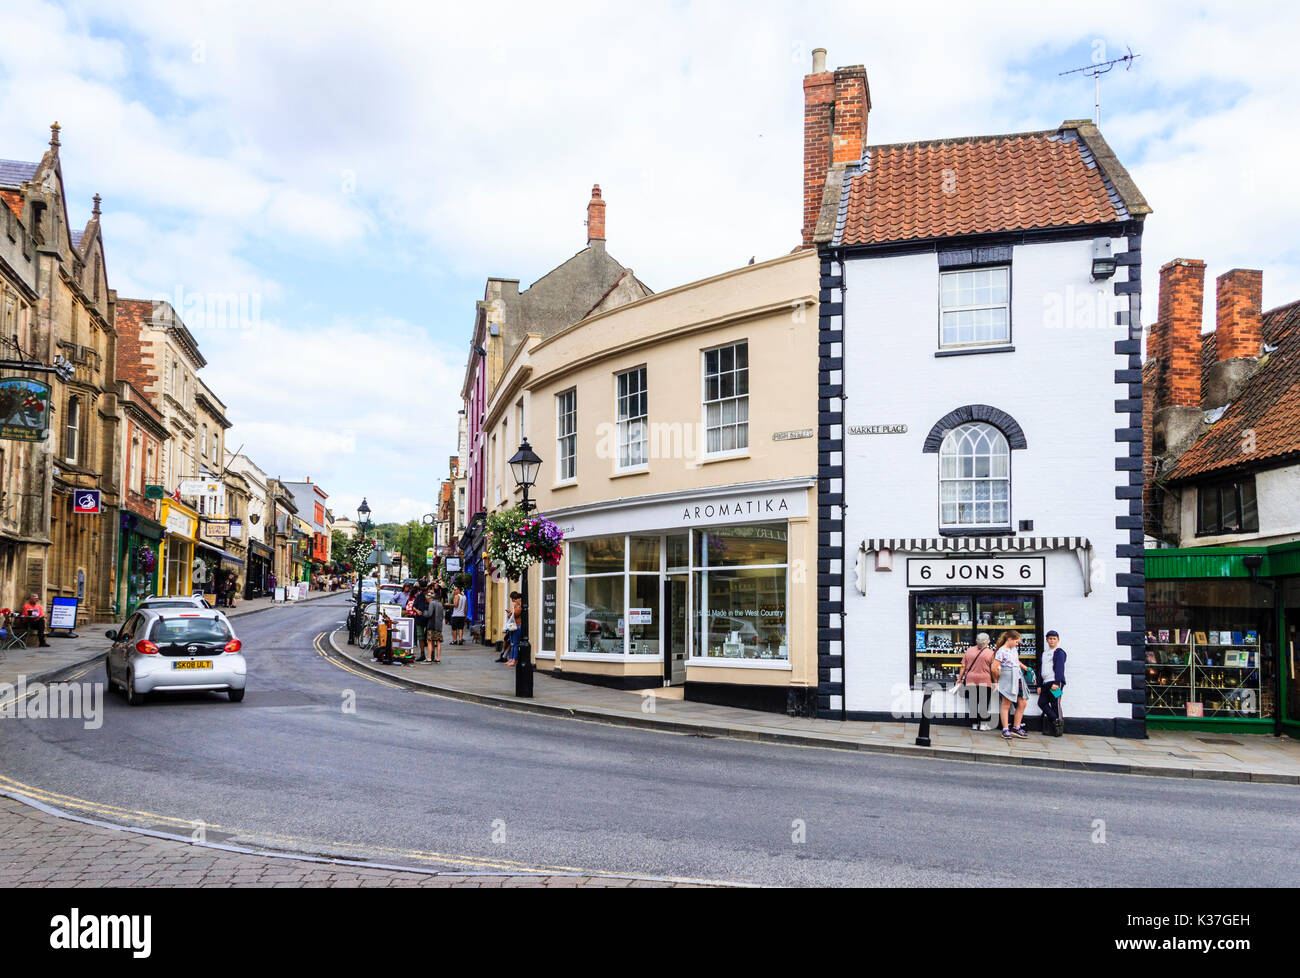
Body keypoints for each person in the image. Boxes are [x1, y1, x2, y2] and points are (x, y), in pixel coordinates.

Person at [992, 629, 1030, 739]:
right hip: (1007, 677)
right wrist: (998, 680)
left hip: (1017, 676)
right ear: (1009, 639)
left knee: (1022, 702)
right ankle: (1005, 729)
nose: (1017, 644)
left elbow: (1016, 661)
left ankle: (1016, 728)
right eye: (1016, 641)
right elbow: (994, 667)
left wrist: (1026, 668)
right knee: (1006, 704)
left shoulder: (1013, 649)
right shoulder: (1001, 651)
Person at [957, 632, 996, 731]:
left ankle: (974, 724)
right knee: (984, 703)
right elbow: (993, 669)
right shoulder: (991, 653)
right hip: (985, 680)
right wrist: (995, 681)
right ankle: (982, 725)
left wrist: (959, 679)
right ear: (987, 642)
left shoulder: (969, 651)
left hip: (971, 680)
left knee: (973, 703)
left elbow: (963, 666)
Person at [1038, 630, 1067, 736]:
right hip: (1046, 683)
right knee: (1042, 703)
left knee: (1056, 704)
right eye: (1050, 638)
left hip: (1056, 683)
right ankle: (1055, 721)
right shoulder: (1044, 653)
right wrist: (1039, 685)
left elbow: (1060, 668)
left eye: (1054, 639)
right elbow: (1041, 669)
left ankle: (1057, 730)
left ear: (1058, 640)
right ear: (1047, 640)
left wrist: (1057, 682)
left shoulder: (1059, 652)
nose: (1052, 640)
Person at [424, 586, 444, 663]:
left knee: (429, 641)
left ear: (431, 598)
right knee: (438, 642)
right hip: (439, 626)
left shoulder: (432, 603)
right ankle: (438, 658)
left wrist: (424, 613)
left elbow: (429, 614)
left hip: (432, 625)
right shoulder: (440, 604)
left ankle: (429, 658)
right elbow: (442, 616)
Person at [503, 591, 522, 666]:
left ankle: (514, 660)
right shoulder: (516, 605)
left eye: (513, 599)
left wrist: (512, 612)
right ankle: (511, 658)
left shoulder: (519, 605)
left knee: (515, 644)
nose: (513, 601)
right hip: (513, 625)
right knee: (512, 643)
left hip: (518, 626)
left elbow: (517, 613)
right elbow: (512, 615)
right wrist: (510, 613)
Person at [411, 586, 429, 661]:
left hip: (429, 620)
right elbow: (413, 606)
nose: (424, 591)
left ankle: (431, 655)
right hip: (419, 619)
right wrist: (417, 611)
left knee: (429, 637)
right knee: (420, 637)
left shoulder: (430, 596)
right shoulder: (419, 596)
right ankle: (422, 654)